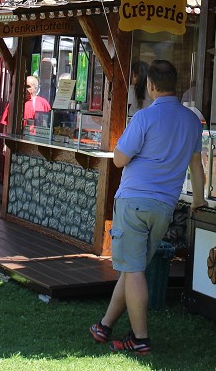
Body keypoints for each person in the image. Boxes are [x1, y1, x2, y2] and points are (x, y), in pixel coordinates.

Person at [89, 60, 206, 356]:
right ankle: (104, 325)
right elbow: (196, 166)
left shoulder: (143, 117)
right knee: (132, 269)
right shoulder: (192, 121)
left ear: (151, 86)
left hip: (134, 201)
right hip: (165, 206)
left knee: (134, 269)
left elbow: (119, 159)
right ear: (175, 85)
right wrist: (199, 199)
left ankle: (140, 338)